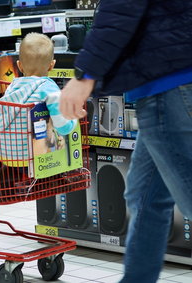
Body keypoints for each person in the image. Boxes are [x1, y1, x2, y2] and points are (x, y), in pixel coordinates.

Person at [58, 1, 192, 282]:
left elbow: (120, 9)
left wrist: (85, 75)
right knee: (145, 197)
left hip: (168, 84)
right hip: (167, 80)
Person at [0, 33, 76, 175]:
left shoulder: (13, 86)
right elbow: (63, 126)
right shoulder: (49, 88)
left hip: (5, 155)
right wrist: (73, 122)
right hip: (31, 158)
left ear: (19, 66)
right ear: (51, 65)